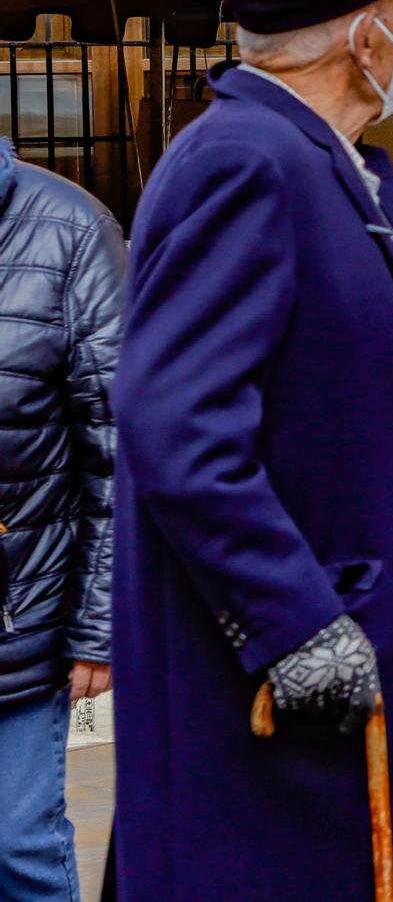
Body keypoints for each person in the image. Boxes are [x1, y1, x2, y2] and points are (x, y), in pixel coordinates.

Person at [111, 0, 393, 898]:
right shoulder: (245, 160)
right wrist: (293, 621)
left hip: (356, 652)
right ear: (365, 36)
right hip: (300, 682)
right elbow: (178, 425)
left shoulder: (328, 164)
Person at [0, 136, 119, 901]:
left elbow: (122, 446)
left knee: (18, 844)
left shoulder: (71, 227)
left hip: (19, 611)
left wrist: (99, 625)